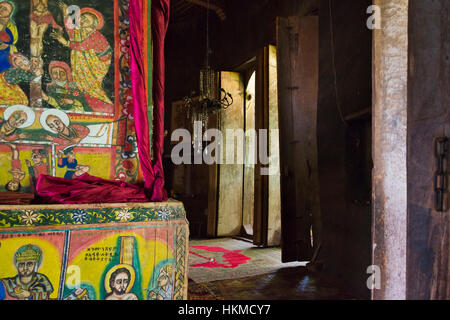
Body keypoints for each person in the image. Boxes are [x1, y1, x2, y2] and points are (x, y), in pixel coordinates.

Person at [51, 2, 113, 113]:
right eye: (83, 18)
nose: (83, 21)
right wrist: (66, 12)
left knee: (91, 87)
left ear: (93, 25)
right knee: (80, 87)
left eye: (87, 20)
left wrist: (65, 42)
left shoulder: (96, 36)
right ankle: (83, 101)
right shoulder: (80, 32)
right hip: (85, 63)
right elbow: (70, 30)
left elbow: (82, 46)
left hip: (96, 65)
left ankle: (103, 106)